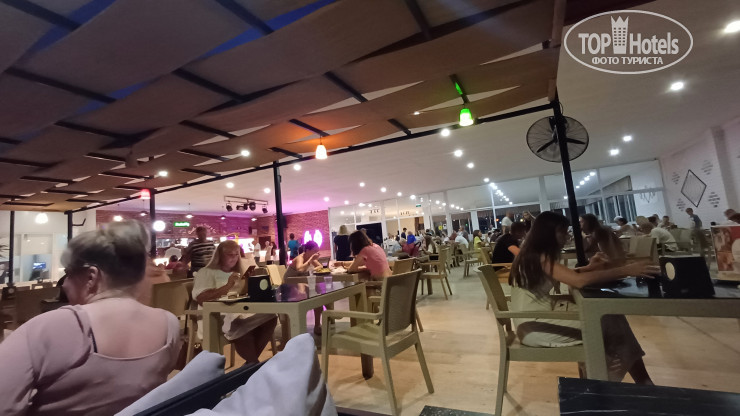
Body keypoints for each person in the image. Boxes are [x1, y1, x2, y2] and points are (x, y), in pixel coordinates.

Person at [0, 221, 181, 415]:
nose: (64, 284)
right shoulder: (169, 325)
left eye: (68, 274)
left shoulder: (49, 328)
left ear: (91, 277)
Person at [509, 211, 657, 383]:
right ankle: (615, 378)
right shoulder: (539, 257)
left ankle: (617, 377)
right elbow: (578, 281)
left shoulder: (532, 254)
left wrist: (589, 267)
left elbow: (567, 274)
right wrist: (625, 270)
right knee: (609, 324)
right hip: (535, 327)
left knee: (610, 320)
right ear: (548, 233)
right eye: (562, 232)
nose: (567, 236)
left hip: (533, 321)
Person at [192, 240, 277, 363]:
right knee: (239, 324)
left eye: (236, 255)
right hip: (216, 316)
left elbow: (241, 294)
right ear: (220, 256)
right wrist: (227, 286)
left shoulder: (237, 272)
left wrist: (249, 282)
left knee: (270, 317)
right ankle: (253, 364)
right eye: (230, 255)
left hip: (238, 311)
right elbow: (201, 298)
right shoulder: (206, 272)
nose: (234, 258)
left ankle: (251, 364)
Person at [284, 241, 324, 334]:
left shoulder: (311, 258)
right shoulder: (300, 257)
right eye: (315, 251)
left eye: (317, 251)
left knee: (318, 293)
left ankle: (317, 325)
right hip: (289, 286)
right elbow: (300, 269)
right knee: (315, 292)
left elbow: (320, 266)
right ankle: (303, 326)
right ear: (307, 250)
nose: (317, 254)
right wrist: (310, 261)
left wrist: (311, 268)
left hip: (300, 283)